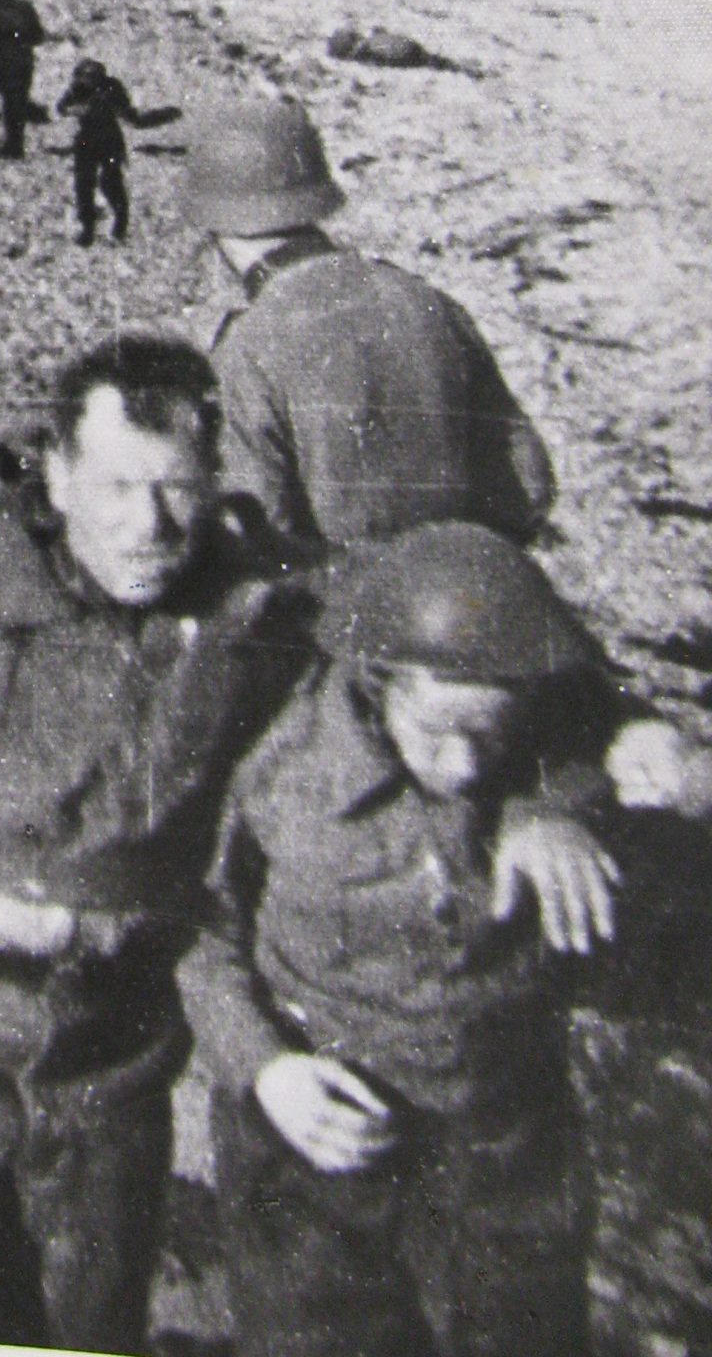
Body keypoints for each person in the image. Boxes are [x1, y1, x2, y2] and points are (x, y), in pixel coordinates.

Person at [0, 335, 314, 1349]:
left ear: (216, 483)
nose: (147, 523)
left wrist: (547, 791)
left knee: (89, 1322)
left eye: (177, 489)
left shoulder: (254, 613)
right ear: (59, 469)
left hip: (106, 1040)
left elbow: (429, 682)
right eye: (117, 485)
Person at [180, 521, 626, 1357]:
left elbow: (605, 724)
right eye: (436, 731)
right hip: (316, 1143)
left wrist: (558, 803)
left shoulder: (546, 734)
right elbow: (196, 931)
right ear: (377, 682)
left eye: (488, 736)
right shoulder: (278, 762)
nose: (461, 765)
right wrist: (264, 1069)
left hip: (500, 1150)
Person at [183, 96, 557, 560]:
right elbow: (530, 480)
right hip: (464, 587)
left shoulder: (248, 348)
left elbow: (256, 530)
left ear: (216, 232)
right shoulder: (426, 301)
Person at [56, 57, 180, 246]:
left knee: (110, 183)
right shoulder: (78, 88)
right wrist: (79, 110)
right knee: (84, 185)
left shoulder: (112, 87)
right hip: (87, 140)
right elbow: (62, 107)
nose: (86, 82)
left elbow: (132, 117)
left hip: (109, 140)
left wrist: (162, 116)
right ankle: (88, 229)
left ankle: (119, 224)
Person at [0, 0, 47, 158]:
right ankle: (11, 143)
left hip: (6, 63)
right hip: (17, 62)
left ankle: (11, 144)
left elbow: (37, 35)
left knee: (10, 104)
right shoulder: (22, 7)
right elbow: (38, 36)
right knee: (13, 105)